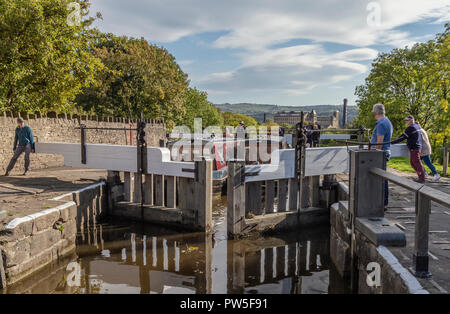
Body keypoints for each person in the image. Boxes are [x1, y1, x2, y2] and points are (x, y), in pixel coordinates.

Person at [370, 104, 393, 210]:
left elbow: (379, 142)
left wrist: (373, 154)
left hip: (380, 153)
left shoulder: (381, 124)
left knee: (381, 178)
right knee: (382, 177)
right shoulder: (387, 122)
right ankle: (383, 202)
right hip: (385, 152)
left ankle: (383, 203)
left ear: (375, 113)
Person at [392, 115, 425, 183]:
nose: (406, 121)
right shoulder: (416, 126)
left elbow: (402, 137)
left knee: (416, 162)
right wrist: (395, 140)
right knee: (413, 163)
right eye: (405, 120)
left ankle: (422, 178)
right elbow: (404, 136)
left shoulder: (411, 128)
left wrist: (392, 142)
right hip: (417, 147)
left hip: (415, 148)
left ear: (411, 120)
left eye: (407, 120)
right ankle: (420, 176)